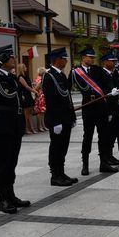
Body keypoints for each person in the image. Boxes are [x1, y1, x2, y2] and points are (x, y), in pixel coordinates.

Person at [0, 45, 30, 214]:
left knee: (11, 162)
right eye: (11, 57)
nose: (15, 59)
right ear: (2, 59)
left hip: (14, 125)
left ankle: (11, 194)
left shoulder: (10, 78)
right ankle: (3, 199)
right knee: (2, 163)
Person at [72, 48, 118, 175]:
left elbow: (107, 82)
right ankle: (85, 164)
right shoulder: (75, 72)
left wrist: (112, 89)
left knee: (103, 136)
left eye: (93, 57)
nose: (92, 59)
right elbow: (67, 88)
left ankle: (104, 163)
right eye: (90, 57)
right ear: (83, 58)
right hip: (88, 108)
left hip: (101, 107)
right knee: (87, 136)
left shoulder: (98, 70)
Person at [42, 47, 78, 186]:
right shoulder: (49, 76)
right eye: (64, 58)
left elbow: (67, 97)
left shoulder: (61, 75)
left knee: (63, 147)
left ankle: (61, 172)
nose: (66, 61)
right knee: (56, 147)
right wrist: (56, 121)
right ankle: (55, 175)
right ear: (57, 59)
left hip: (66, 118)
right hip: (57, 119)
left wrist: (72, 117)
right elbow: (51, 101)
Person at [100, 52, 119, 166]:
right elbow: (101, 91)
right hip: (108, 108)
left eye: (115, 61)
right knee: (107, 134)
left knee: (114, 132)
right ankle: (106, 156)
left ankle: (110, 155)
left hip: (116, 107)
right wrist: (109, 93)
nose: (114, 63)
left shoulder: (113, 74)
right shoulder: (102, 74)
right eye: (111, 61)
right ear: (105, 62)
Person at [17, 63, 38, 134]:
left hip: (28, 95)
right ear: (22, 68)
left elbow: (30, 85)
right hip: (24, 95)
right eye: (25, 66)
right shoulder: (20, 77)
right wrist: (35, 91)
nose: (26, 67)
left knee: (30, 113)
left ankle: (32, 128)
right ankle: (26, 129)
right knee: (26, 114)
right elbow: (26, 86)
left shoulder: (26, 76)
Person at [33, 67, 48, 132]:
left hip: (42, 96)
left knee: (43, 112)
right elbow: (36, 88)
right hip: (40, 97)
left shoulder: (40, 78)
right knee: (40, 112)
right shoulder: (40, 79)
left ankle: (43, 125)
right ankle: (40, 126)